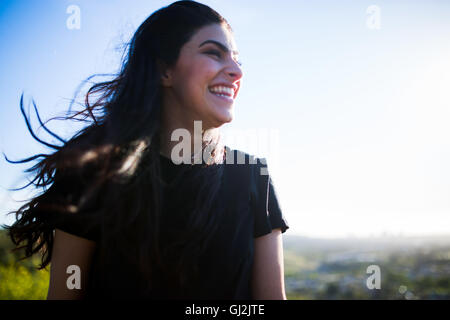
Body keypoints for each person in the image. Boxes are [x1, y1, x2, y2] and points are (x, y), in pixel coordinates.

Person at [3, 0, 289, 300]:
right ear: (164, 70)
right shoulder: (92, 173)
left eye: (237, 59)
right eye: (213, 53)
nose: (235, 71)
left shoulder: (254, 176)